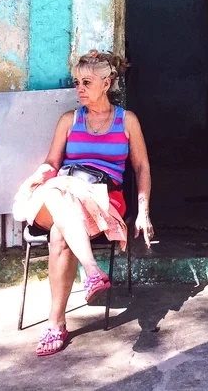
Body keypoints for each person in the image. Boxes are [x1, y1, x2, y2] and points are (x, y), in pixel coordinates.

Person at [13, 50, 154, 356]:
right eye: (76, 81)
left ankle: (56, 324)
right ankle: (92, 270)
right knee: (55, 190)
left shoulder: (126, 121)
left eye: (86, 81)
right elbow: (53, 162)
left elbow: (141, 167)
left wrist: (143, 210)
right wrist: (37, 176)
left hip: (102, 198)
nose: (79, 88)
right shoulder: (69, 120)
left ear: (108, 82)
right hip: (63, 190)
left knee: (60, 234)